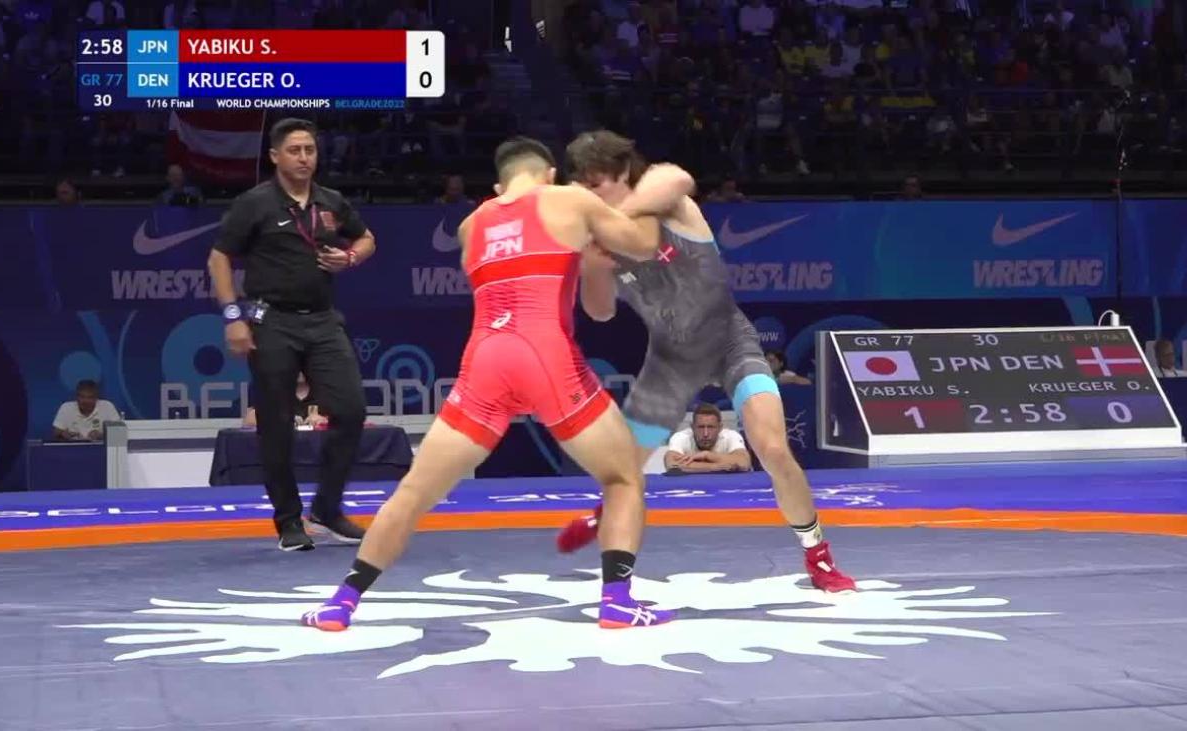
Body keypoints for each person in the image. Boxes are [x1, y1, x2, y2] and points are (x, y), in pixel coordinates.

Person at [301, 136, 675, 632]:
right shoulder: (568, 199)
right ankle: (618, 602)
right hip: (546, 356)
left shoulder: (471, 224)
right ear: (548, 174)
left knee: (413, 493)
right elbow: (644, 246)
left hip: (487, 359)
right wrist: (651, 196)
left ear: (499, 185)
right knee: (623, 478)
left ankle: (342, 602)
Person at [555, 130, 856, 593]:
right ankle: (611, 553)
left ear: (622, 173)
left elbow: (679, 177)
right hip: (671, 359)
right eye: (583, 188)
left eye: (596, 185)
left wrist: (611, 220)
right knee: (623, 472)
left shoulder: (666, 198)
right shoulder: (601, 241)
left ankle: (819, 555)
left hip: (731, 343)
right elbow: (599, 312)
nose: (589, 197)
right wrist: (593, 265)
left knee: (773, 449)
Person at [207, 117, 375, 552]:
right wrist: (233, 317)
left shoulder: (331, 200)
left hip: (322, 320)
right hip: (272, 322)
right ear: (275, 156)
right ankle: (288, 521)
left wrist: (351, 258)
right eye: (295, 150)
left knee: (351, 410)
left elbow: (367, 238)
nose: (304, 158)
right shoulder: (255, 203)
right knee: (276, 424)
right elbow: (219, 258)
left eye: (310, 150)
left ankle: (327, 508)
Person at [664, 402, 752, 474]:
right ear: (692, 427)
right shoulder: (681, 437)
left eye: (711, 427)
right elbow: (672, 464)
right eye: (701, 427)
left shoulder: (731, 436)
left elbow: (744, 463)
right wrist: (715, 467)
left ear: (720, 428)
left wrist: (707, 455)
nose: (705, 434)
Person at [242, 372, 325, 427]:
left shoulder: (326, 389)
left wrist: (324, 422)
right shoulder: (270, 387)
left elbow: (332, 419)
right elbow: (248, 420)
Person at [52, 380, 120, 441]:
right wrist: (63, 434)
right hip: (73, 448)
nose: (85, 401)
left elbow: (119, 432)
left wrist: (101, 435)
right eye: (82, 397)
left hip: (99, 448)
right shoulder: (66, 407)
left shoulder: (107, 406)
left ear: (96, 397)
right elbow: (56, 432)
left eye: (90, 397)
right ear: (77, 397)